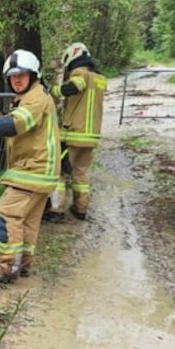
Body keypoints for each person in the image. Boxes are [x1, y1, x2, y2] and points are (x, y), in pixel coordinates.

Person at [0, 49, 61, 282]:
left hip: (33, 171)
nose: (16, 80)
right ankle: (23, 265)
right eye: (12, 76)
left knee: (6, 214)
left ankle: (7, 268)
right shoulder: (32, 98)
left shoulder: (36, 98)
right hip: (42, 171)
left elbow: (16, 125)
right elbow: (23, 126)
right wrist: (0, 116)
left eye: (22, 75)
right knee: (27, 222)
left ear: (34, 75)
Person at [44, 42, 106, 221]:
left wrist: (52, 91)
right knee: (81, 171)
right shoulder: (100, 78)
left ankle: (56, 211)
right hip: (92, 136)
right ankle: (80, 209)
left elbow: (74, 87)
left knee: (59, 172)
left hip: (73, 134)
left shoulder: (80, 73)